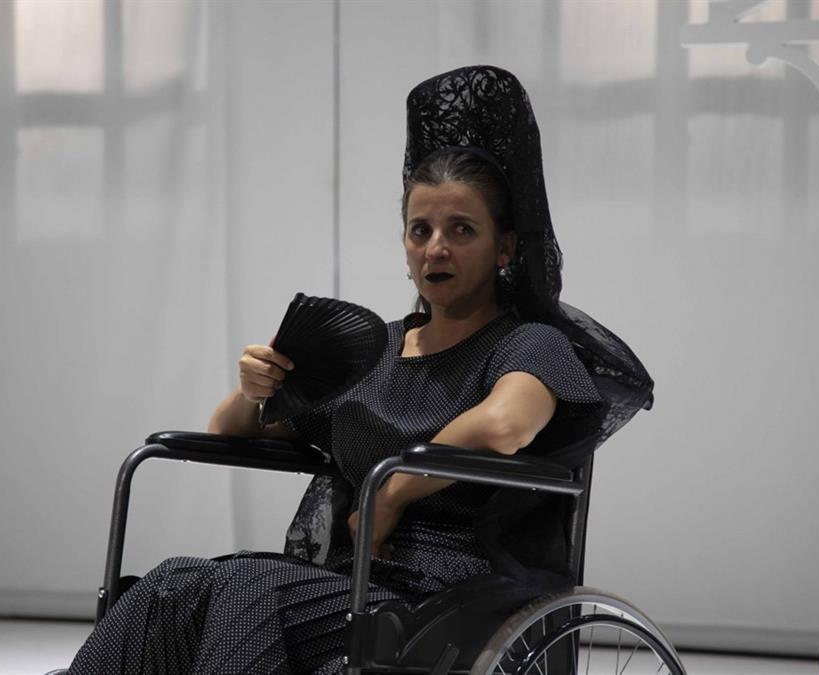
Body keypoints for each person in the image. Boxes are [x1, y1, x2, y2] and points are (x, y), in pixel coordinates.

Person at [69, 65, 652, 675]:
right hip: (349, 583)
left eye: (461, 230)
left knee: (249, 589)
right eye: (420, 230)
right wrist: (254, 390)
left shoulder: (529, 343)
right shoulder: (373, 351)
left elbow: (505, 425)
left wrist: (392, 493)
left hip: (451, 592)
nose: (436, 248)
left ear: (504, 248)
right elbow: (230, 432)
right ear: (405, 246)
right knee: (175, 586)